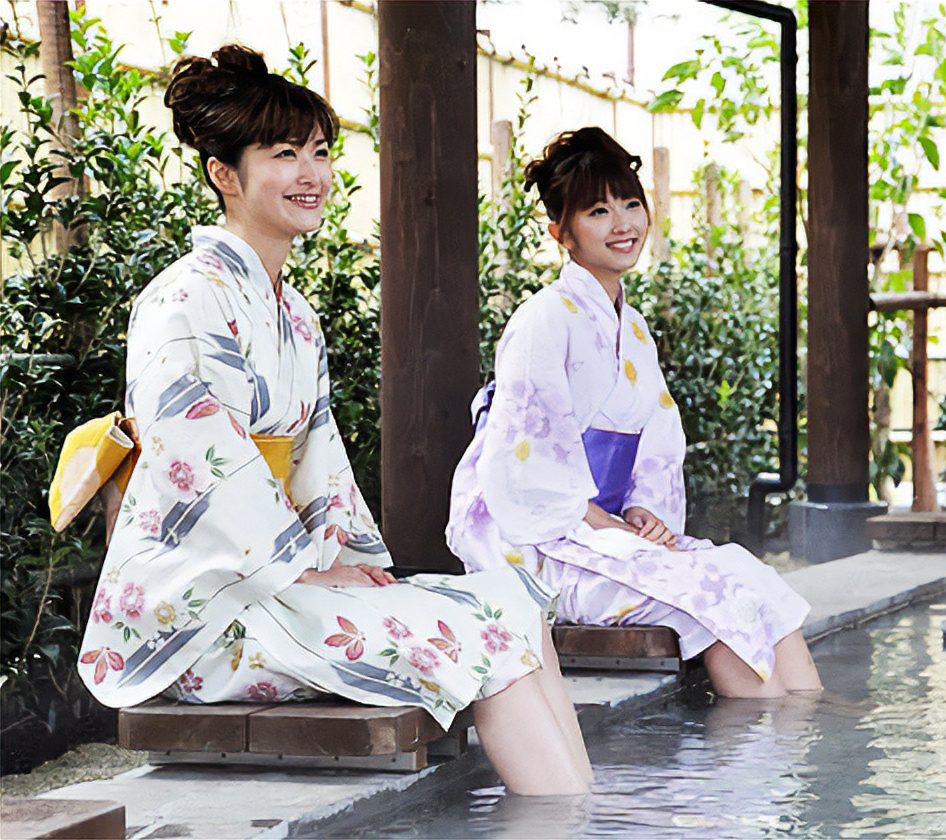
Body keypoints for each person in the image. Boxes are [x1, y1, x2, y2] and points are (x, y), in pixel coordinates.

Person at [75, 46, 590, 796]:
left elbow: (318, 463)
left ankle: (586, 813)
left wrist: (348, 559)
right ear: (225, 174)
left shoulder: (297, 316)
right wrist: (310, 566)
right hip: (198, 609)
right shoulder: (182, 301)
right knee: (478, 637)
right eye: (284, 154)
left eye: (319, 151)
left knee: (513, 601)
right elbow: (203, 471)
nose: (312, 173)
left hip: (276, 581)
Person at [447, 127, 822, 699]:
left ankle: (807, 735)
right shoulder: (545, 318)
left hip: (606, 530)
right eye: (598, 210)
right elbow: (528, 458)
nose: (623, 223)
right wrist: (604, 522)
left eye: (630, 204)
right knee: (705, 594)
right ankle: (767, 754)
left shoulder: (635, 327)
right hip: (541, 546)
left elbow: (657, 439)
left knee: (751, 575)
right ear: (561, 234)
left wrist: (644, 511)